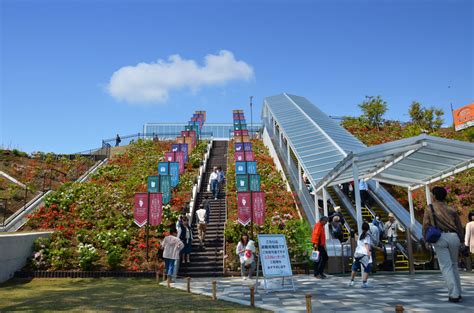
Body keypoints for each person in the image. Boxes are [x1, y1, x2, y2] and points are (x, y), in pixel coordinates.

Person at [422, 186, 464, 303]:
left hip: (440, 238)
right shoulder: (451, 209)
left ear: (434, 196)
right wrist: (461, 240)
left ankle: (454, 293)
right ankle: (458, 292)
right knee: (454, 265)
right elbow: (459, 226)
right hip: (454, 237)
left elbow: (426, 224)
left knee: (446, 266)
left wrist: (425, 239)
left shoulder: (430, 208)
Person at [349, 222, 373, 288]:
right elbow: (366, 245)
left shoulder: (360, 235)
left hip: (357, 253)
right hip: (363, 254)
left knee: (355, 267)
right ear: (368, 229)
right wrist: (368, 253)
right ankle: (364, 282)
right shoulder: (367, 236)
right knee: (368, 267)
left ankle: (352, 281)